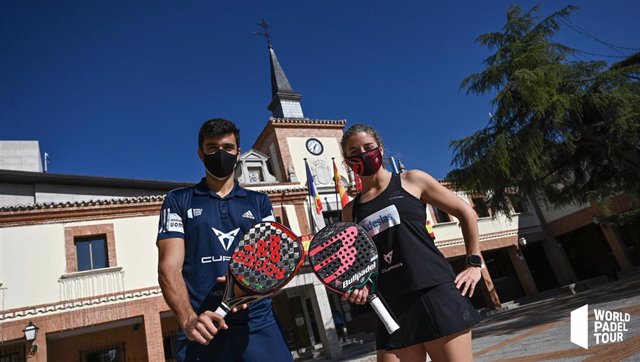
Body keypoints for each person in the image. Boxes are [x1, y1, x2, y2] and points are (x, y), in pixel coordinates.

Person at [340, 124, 483, 362]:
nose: (362, 154)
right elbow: (361, 263)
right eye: (354, 152)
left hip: (434, 292)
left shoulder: (412, 180)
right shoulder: (349, 211)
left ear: (381, 149)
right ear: (347, 161)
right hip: (390, 304)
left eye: (368, 147)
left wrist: (474, 262)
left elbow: (467, 213)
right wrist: (360, 287)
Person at [157, 118, 293, 362]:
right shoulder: (178, 201)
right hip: (202, 328)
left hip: (258, 325)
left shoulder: (260, 203)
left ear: (238, 152)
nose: (221, 154)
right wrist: (188, 320)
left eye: (228, 148)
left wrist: (249, 290)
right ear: (201, 154)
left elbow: (273, 265)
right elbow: (169, 266)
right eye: (212, 148)